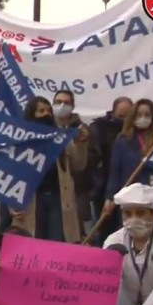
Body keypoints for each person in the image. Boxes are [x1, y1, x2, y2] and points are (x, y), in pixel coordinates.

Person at [10, 96, 88, 243]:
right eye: (41, 111)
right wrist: (12, 204)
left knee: (56, 243)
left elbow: (78, 165)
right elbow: (10, 175)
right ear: (32, 114)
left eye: (48, 111)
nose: (46, 114)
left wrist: (82, 144)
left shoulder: (60, 138)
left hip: (58, 199)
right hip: (32, 201)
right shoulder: (21, 141)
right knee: (33, 242)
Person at [104, 99, 153, 228]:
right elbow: (115, 173)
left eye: (147, 115)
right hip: (130, 197)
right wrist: (109, 197)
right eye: (139, 114)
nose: (143, 118)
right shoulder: (123, 139)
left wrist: (151, 162)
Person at [88, 96, 133, 243]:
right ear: (113, 113)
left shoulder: (137, 132)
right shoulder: (98, 128)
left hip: (130, 188)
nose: (125, 120)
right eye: (121, 116)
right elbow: (92, 160)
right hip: (103, 190)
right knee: (105, 234)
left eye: (128, 116)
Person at [53, 90, 92, 237]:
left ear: (73, 106)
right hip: (48, 191)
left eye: (67, 103)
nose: (62, 105)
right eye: (58, 102)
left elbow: (80, 165)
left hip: (73, 191)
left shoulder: (80, 129)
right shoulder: (44, 126)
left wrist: (81, 143)